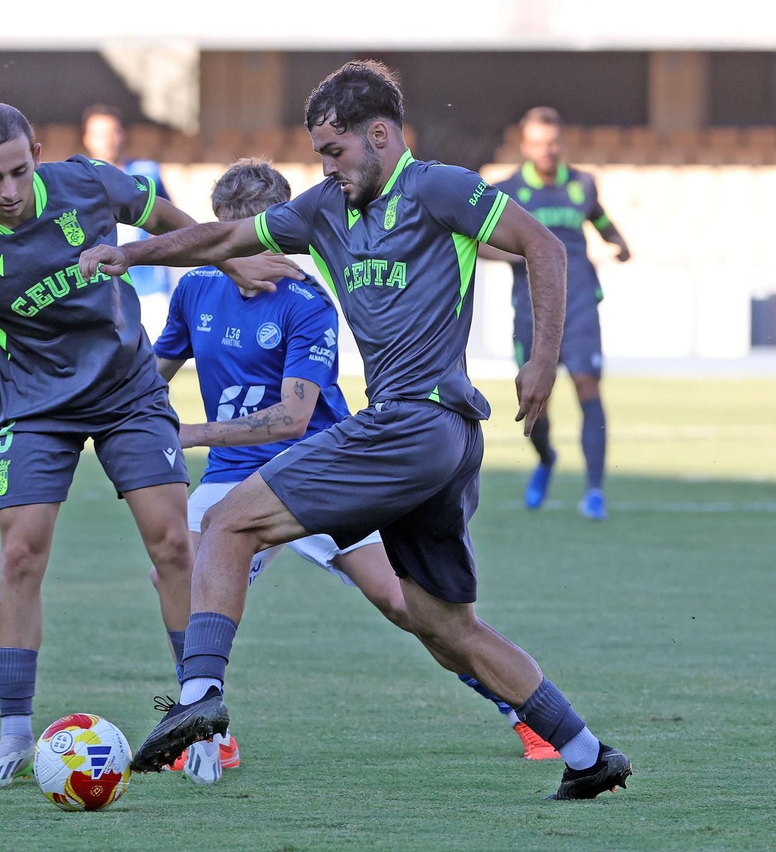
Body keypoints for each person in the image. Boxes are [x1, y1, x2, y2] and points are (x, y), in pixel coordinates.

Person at [81, 60, 632, 800]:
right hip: (434, 443)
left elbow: (545, 245)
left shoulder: (440, 188)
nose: (326, 168)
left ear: (379, 134)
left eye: (334, 151)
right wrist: (130, 252)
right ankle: (589, 754)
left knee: (228, 524)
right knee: (444, 627)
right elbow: (223, 239)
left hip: (414, 422)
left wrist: (542, 360)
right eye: (319, 154)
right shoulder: (323, 210)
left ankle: (200, 698)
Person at [0, 102, 299, 789]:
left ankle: (201, 715)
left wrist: (230, 262)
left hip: (129, 390)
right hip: (36, 406)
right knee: (21, 552)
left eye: (19, 171)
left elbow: (166, 219)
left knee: (174, 544)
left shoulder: (87, 182)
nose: (9, 191)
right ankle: (13, 732)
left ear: (38, 153)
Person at [151, 159, 560, 783]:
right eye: (229, 239)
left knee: (402, 603)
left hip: (322, 468)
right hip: (233, 474)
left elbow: (292, 420)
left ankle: (521, 709)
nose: (242, 255)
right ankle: (208, 726)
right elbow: (154, 377)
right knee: (178, 566)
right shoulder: (196, 290)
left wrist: (188, 433)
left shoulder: (308, 302)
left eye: (252, 238)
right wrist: (130, 415)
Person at [492, 107, 630, 521]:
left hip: (581, 302)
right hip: (532, 310)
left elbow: (601, 219)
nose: (546, 150)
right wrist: (520, 254)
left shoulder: (582, 185)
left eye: (552, 142)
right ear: (524, 146)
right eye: (537, 143)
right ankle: (547, 458)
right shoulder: (506, 191)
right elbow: (477, 243)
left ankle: (594, 491)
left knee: (589, 387)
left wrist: (619, 242)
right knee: (537, 400)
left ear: (561, 143)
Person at [82, 104, 174, 334]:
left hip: (149, 285)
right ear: (87, 138)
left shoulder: (147, 173)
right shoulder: (75, 182)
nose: (107, 141)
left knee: (158, 348)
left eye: (112, 132)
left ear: (123, 135)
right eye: (99, 134)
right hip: (99, 290)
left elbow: (170, 216)